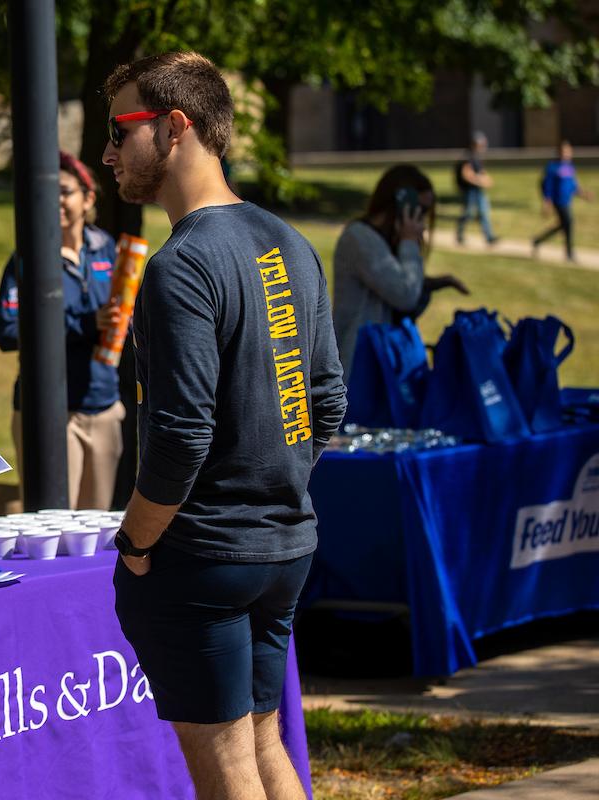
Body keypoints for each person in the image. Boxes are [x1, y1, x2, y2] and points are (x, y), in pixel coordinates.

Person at [101, 52, 347, 800]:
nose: (107, 152)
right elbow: (327, 401)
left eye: (120, 130)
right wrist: (274, 486)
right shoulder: (289, 244)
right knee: (266, 742)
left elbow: (179, 437)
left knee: (228, 768)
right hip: (284, 549)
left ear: (175, 128)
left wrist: (136, 541)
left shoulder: (182, 266)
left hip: (203, 557)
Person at [0, 150, 125, 510]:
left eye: (65, 191)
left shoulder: (108, 250)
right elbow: (7, 331)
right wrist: (83, 323)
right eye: (48, 193)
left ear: (88, 199)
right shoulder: (28, 258)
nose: (57, 201)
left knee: (96, 527)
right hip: (49, 410)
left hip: (103, 406)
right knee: (54, 525)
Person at [332, 165, 470, 382]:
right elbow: (404, 295)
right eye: (420, 211)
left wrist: (433, 284)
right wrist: (408, 242)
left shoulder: (385, 240)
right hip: (357, 369)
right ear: (400, 205)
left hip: (381, 363)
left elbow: (402, 291)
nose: (422, 224)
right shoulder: (359, 238)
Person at [534, 140, 592, 262]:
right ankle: (569, 254)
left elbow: (573, 185)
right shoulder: (552, 167)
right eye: (563, 151)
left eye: (568, 151)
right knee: (569, 223)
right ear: (559, 152)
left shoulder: (570, 166)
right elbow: (547, 185)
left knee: (563, 225)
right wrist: (547, 201)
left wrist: (584, 194)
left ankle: (538, 240)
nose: (566, 153)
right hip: (558, 201)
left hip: (567, 201)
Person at [456, 131, 499, 245]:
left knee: (483, 213)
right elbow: (466, 174)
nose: (483, 147)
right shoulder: (468, 157)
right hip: (469, 191)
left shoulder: (477, 158)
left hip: (477, 190)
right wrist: (480, 182)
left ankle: (489, 237)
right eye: (481, 144)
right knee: (468, 213)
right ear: (475, 144)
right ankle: (459, 235)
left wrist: (487, 179)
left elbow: (481, 172)